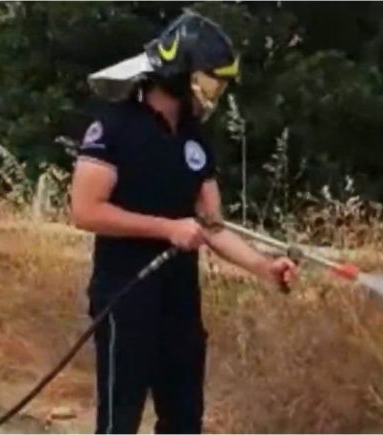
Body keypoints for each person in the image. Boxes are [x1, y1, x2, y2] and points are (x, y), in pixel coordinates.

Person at [70, 11, 299, 434]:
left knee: (184, 419)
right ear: (181, 73)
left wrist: (264, 267)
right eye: (212, 81)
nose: (217, 94)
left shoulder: (195, 139)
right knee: (120, 421)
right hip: (125, 295)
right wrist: (169, 229)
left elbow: (213, 225)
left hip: (178, 299)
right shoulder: (114, 127)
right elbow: (86, 210)